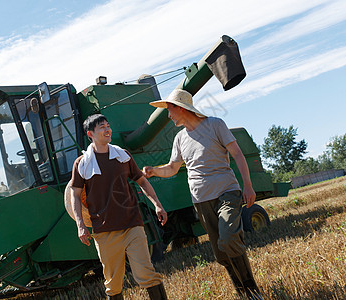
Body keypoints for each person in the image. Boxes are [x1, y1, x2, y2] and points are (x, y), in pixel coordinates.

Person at [142, 89, 262, 299]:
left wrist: (248, 185)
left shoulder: (215, 125)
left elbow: (237, 154)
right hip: (201, 200)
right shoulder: (180, 138)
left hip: (227, 192)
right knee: (221, 253)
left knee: (228, 238)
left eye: (169, 110)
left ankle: (252, 289)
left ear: (180, 108)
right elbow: (172, 168)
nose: (168, 116)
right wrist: (154, 171)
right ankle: (244, 293)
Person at [69, 114, 168, 300]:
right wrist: (80, 225)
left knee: (146, 273)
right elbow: (74, 195)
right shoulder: (82, 164)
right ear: (90, 134)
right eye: (102, 127)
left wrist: (157, 205)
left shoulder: (123, 156)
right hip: (104, 231)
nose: (107, 130)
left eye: (108, 125)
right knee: (113, 284)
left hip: (132, 224)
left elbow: (142, 181)